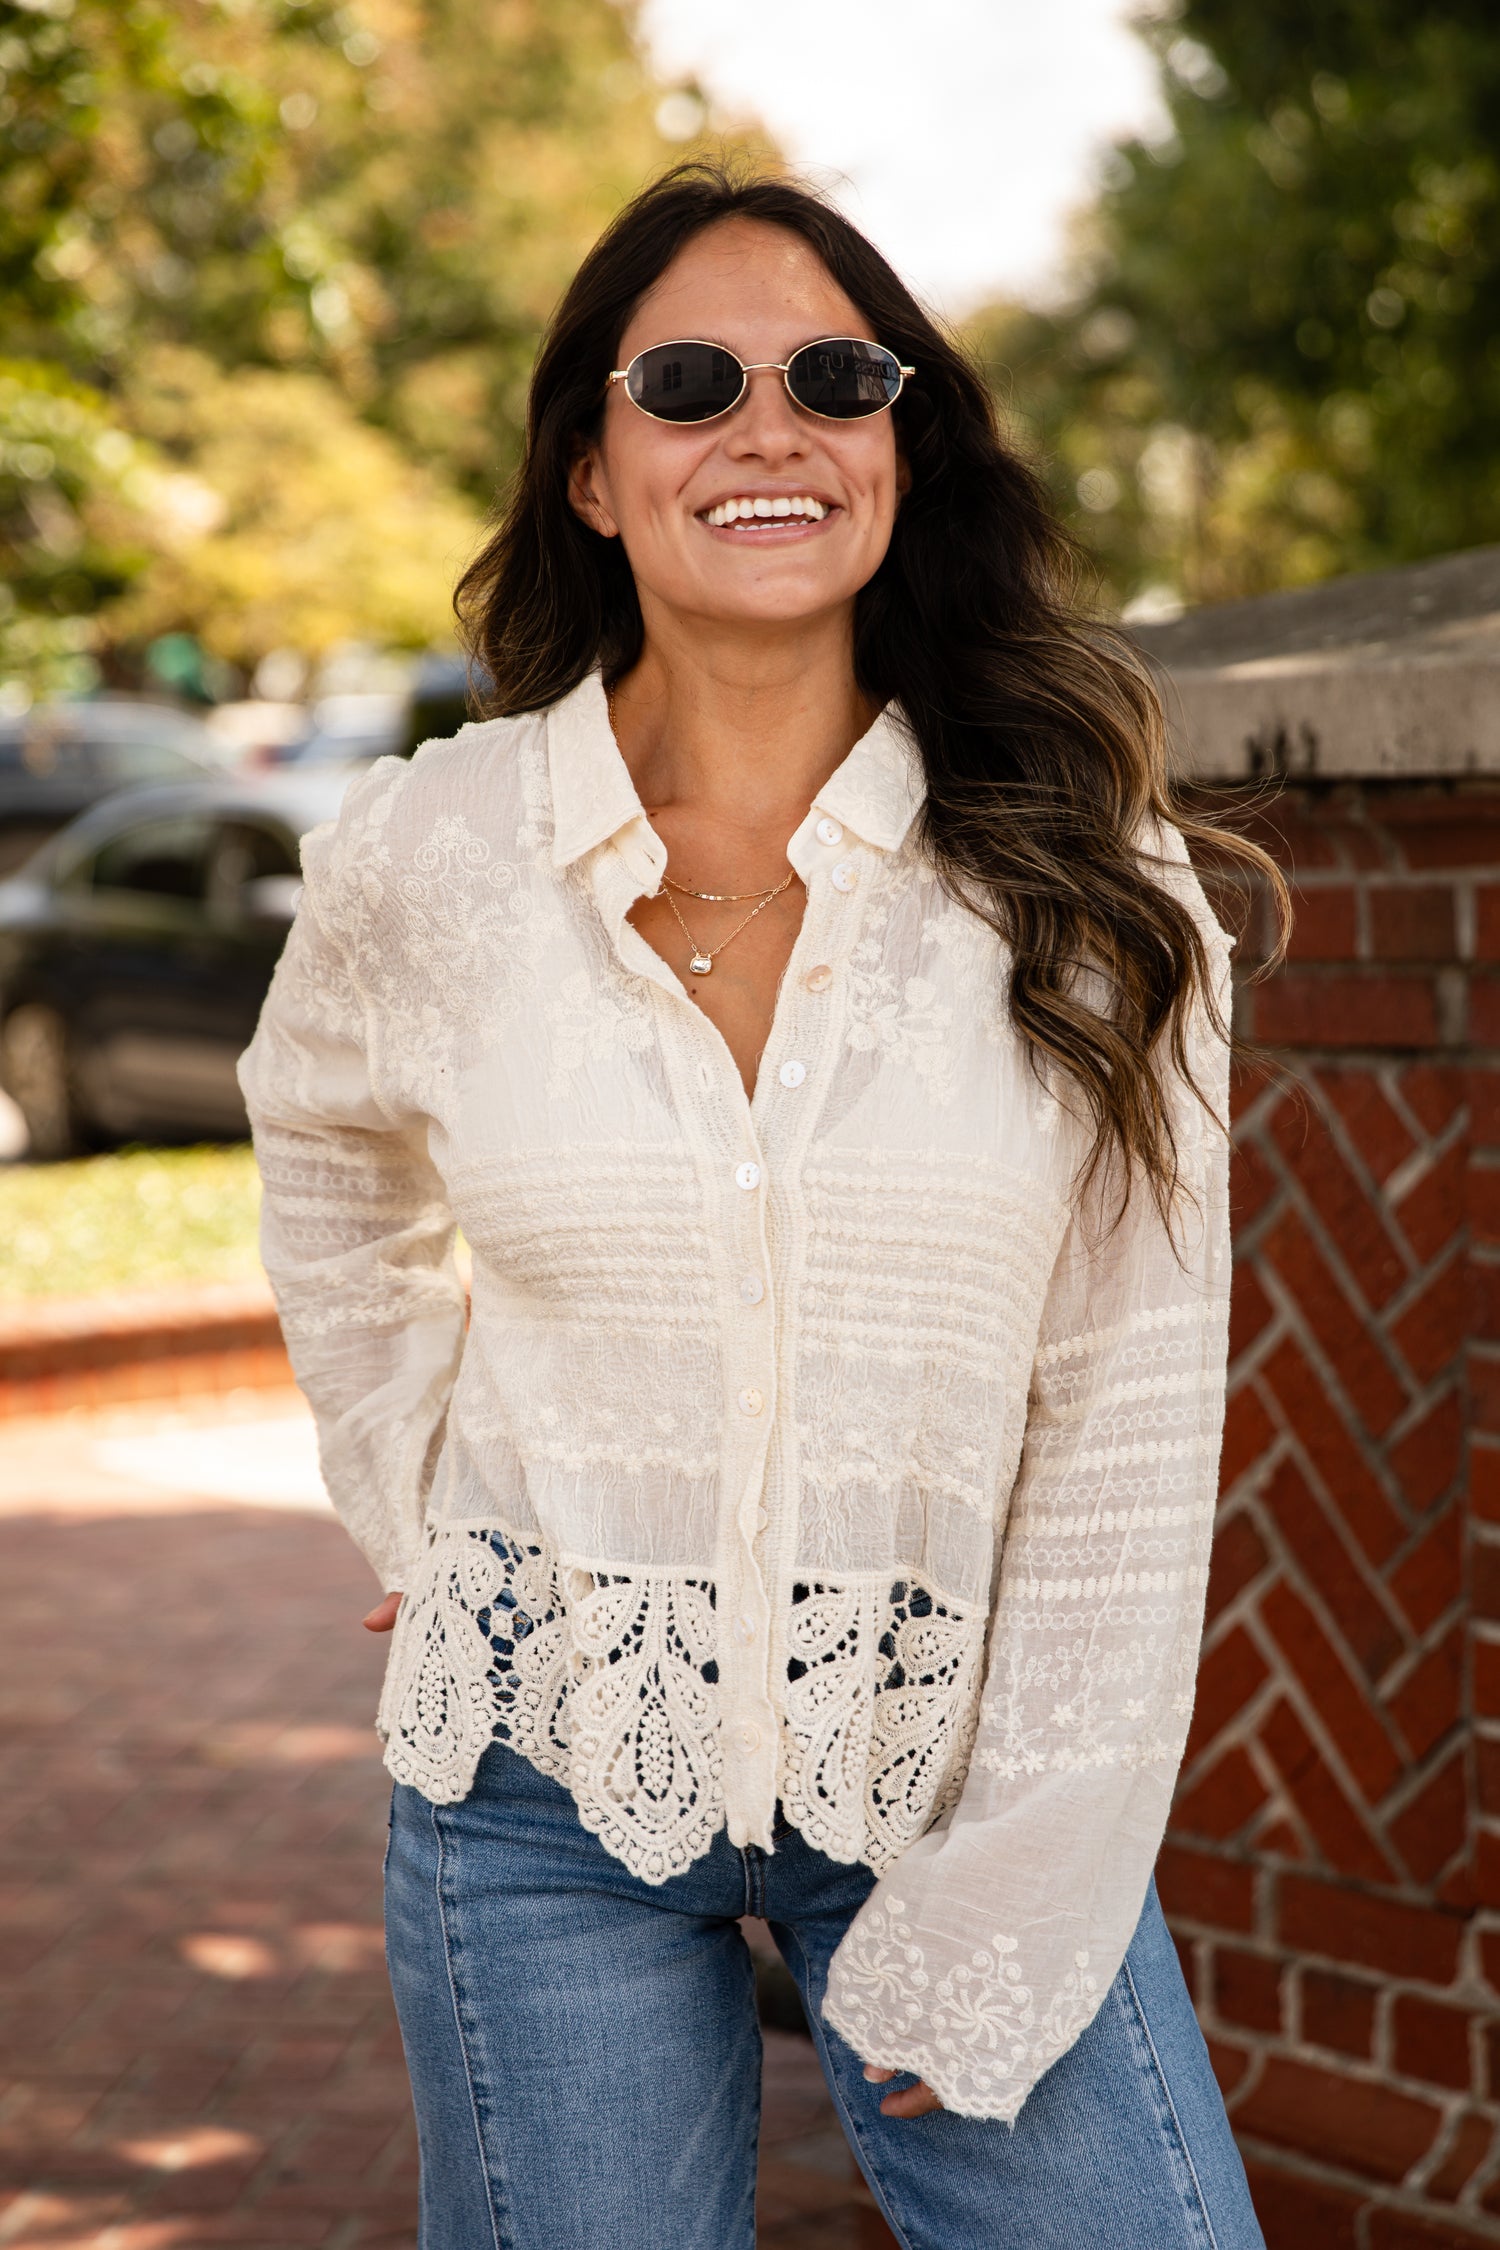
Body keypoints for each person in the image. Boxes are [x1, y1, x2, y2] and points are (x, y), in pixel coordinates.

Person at [240, 162, 1283, 2250]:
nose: (770, 427)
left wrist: (1016, 1895)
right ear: (593, 472)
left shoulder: (1090, 876)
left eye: (835, 377)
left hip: (953, 1770)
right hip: (536, 1793)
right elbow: (319, 1142)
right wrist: (412, 1488)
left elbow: (1133, 1411)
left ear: (904, 441)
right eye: (692, 383)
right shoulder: (432, 852)